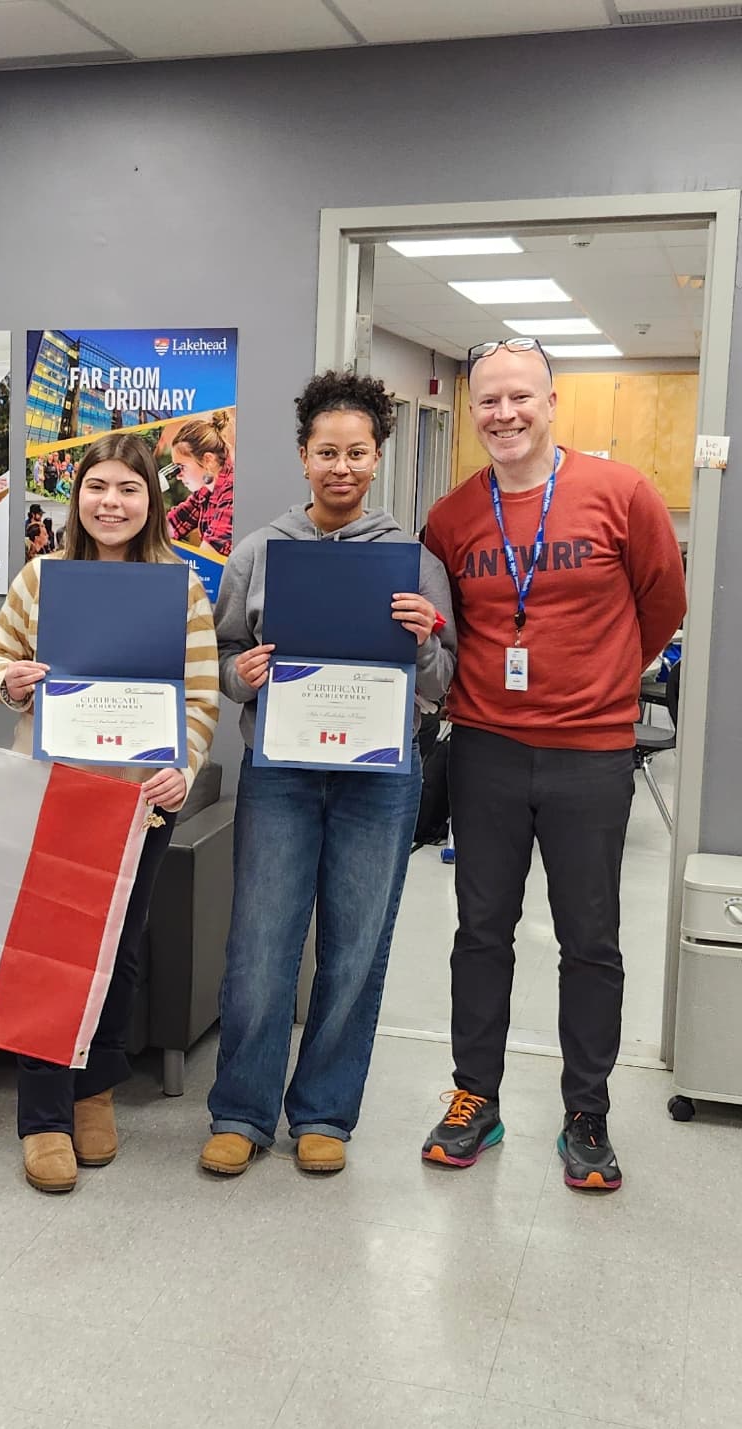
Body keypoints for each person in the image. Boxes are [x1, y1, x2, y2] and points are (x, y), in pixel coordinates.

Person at [420, 337, 686, 1191]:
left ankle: (587, 1112)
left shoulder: (621, 493)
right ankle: (475, 1098)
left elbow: (662, 604)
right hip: (487, 748)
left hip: (591, 754)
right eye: (489, 400)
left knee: (590, 941)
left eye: (520, 398)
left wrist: (600, 683)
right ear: (473, 409)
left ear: (551, 399)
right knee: (481, 933)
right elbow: (447, 628)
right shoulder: (453, 516)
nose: (505, 414)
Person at [201, 372, 455, 1178]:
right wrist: (249, 673)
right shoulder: (258, 553)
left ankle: (324, 1113)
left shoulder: (413, 559)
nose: (340, 467)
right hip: (281, 772)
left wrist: (421, 641)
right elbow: (220, 662)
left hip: (379, 778)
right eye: (325, 452)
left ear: (377, 457)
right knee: (261, 947)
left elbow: (443, 680)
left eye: (356, 452)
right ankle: (241, 1111)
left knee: (355, 950)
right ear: (303, 456)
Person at [0, 432, 219, 1193]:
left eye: (128, 490)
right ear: (76, 495)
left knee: (120, 949)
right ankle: (43, 1112)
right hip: (49, 794)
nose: (110, 502)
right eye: (97, 487)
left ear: (151, 503)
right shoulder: (41, 576)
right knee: (45, 949)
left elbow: (203, 694)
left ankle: (95, 1090)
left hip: (137, 800)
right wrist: (10, 680)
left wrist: (184, 765)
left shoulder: (179, 587)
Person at [164, 411, 235, 559]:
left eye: (181, 467)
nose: (177, 475)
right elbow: (169, 527)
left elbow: (207, 557)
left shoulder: (233, 492)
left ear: (208, 460)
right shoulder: (205, 493)